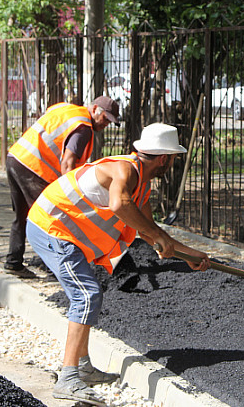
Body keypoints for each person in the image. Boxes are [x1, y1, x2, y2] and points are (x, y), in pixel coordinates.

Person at [25, 122, 210, 405]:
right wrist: (160, 237)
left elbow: (149, 231)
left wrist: (190, 256)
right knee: (86, 295)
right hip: (50, 227)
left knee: (87, 294)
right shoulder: (124, 170)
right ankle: (68, 378)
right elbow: (119, 206)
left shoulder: (141, 186)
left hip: (63, 232)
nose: (173, 163)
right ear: (164, 159)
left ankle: (83, 367)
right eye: (173, 158)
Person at [3, 95, 121, 275]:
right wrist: (72, 195)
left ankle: (14, 262)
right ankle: (58, 270)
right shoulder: (83, 128)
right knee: (53, 219)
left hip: (16, 158)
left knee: (22, 215)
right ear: (95, 109)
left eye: (110, 121)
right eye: (105, 118)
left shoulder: (66, 109)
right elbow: (67, 164)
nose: (106, 124)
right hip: (34, 168)